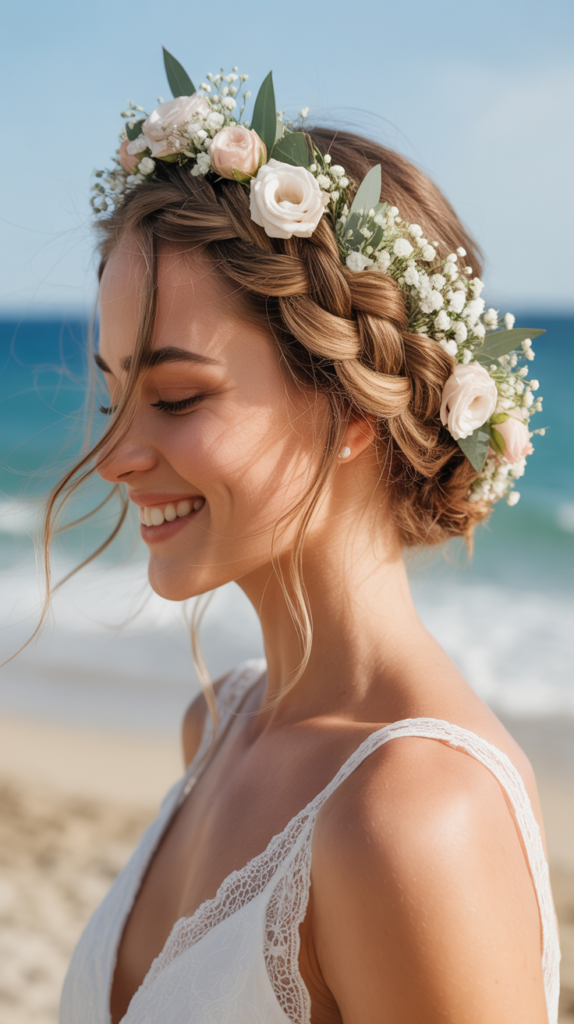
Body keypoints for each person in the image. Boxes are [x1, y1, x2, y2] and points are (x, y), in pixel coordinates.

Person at [56, 54, 558, 1024]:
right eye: (116, 395)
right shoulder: (219, 725)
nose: (115, 455)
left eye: (176, 397)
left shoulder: (412, 818)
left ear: (351, 401)